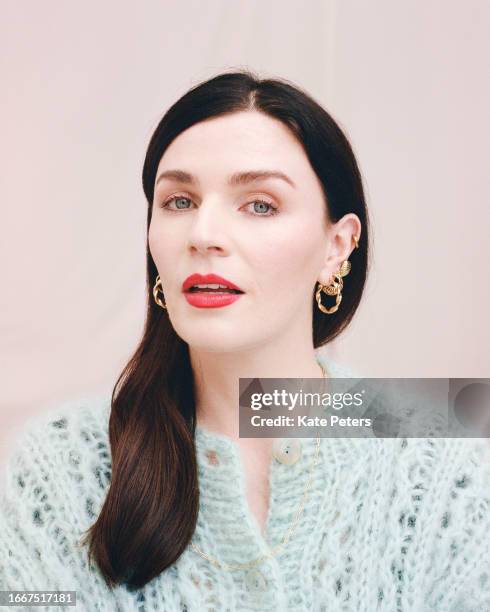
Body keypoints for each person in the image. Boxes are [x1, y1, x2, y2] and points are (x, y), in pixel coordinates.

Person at [1, 70, 489, 611]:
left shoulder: (447, 455)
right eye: (179, 201)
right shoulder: (63, 463)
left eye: (260, 205)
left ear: (337, 246)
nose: (204, 235)